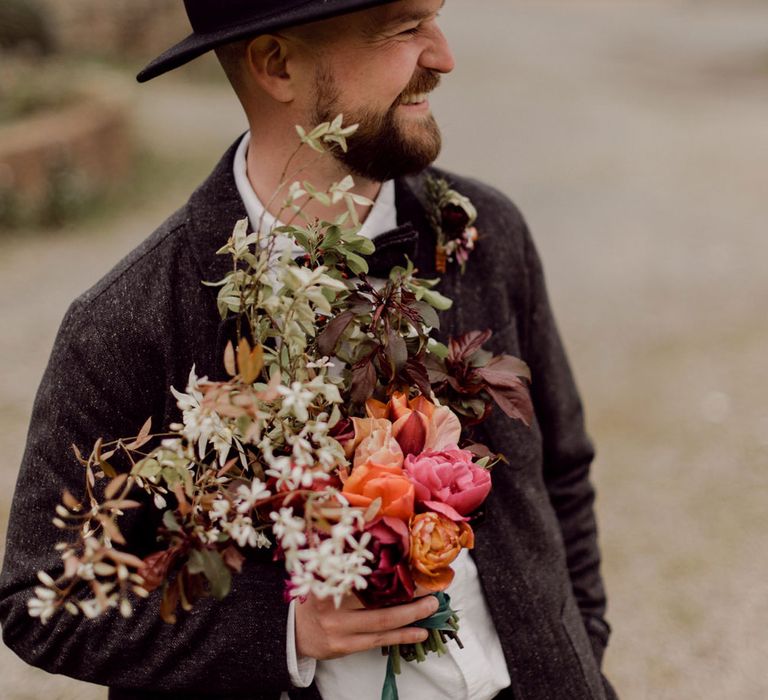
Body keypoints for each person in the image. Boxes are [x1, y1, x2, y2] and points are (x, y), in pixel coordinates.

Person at [0, 1, 618, 699]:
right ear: (276, 64)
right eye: (405, 29)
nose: (443, 56)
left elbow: (562, 474)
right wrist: (282, 629)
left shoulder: (486, 234)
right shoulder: (127, 321)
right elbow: (40, 602)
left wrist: (580, 659)